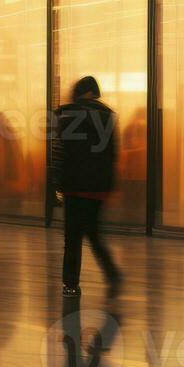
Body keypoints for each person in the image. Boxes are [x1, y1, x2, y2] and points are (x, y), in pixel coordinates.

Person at [51, 76, 120, 298]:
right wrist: (108, 184)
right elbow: (112, 155)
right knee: (93, 233)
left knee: (72, 237)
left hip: (74, 185)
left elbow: (60, 153)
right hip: (97, 187)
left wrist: (56, 184)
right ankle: (112, 274)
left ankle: (70, 284)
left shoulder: (68, 114)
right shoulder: (107, 116)